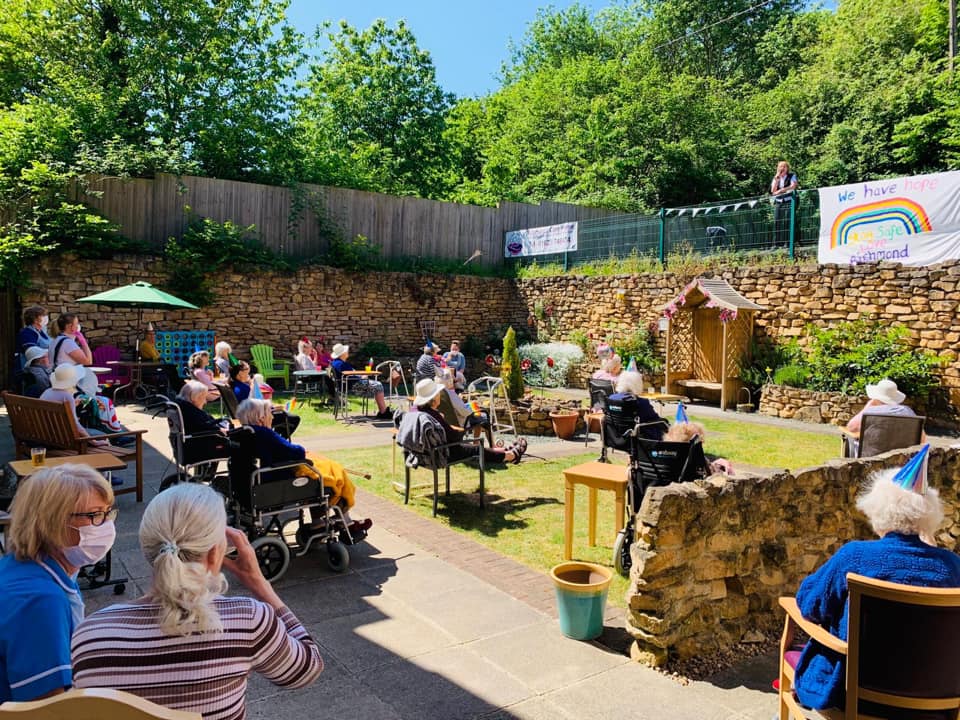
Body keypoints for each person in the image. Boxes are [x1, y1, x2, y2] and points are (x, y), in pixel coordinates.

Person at [71, 483, 323, 718]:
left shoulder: (90, 635)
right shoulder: (248, 621)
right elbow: (307, 670)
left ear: (147, 547)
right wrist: (260, 584)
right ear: (215, 553)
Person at [789, 445, 960, 711]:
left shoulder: (856, 557)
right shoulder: (952, 567)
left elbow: (810, 605)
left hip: (854, 697)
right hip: (934, 704)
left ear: (877, 511)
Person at [0, 464, 116, 701]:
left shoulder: (29, 567)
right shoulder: (41, 600)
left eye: (108, 513)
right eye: (94, 515)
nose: (106, 525)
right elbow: (47, 707)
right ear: (51, 523)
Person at [235, 399, 372, 536]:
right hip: (281, 481)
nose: (272, 417)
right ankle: (346, 522)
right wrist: (300, 449)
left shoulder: (249, 433)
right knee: (332, 477)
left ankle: (319, 522)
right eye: (269, 413)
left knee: (321, 472)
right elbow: (295, 452)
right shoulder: (265, 434)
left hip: (265, 480)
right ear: (261, 418)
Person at [397, 379, 527, 466]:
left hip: (421, 454)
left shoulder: (414, 411)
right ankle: (511, 456)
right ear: (433, 398)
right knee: (476, 448)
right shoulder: (432, 415)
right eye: (438, 393)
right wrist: (445, 422)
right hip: (441, 455)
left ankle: (503, 451)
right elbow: (455, 437)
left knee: (472, 447)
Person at [329, 343, 393, 420]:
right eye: (346, 351)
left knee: (376, 385)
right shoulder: (340, 364)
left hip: (348, 385)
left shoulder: (337, 363)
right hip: (352, 386)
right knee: (378, 385)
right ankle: (383, 412)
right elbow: (349, 375)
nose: (347, 352)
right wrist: (361, 377)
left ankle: (383, 411)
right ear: (342, 354)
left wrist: (360, 376)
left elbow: (350, 373)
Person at [605, 364, 665, 441]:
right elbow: (655, 419)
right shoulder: (641, 402)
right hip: (638, 439)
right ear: (638, 384)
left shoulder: (611, 398)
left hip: (615, 438)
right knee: (663, 423)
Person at [846, 378, 917, 435]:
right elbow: (920, 437)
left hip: (872, 449)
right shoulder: (908, 411)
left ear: (876, 396)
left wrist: (868, 406)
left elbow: (851, 428)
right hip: (902, 449)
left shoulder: (871, 411)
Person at [662, 421, 734, 476]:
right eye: (701, 442)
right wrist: (721, 467)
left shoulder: (665, 459)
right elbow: (711, 472)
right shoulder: (696, 460)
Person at [771, 160, 799, 246]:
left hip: (790, 200)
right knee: (777, 221)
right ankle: (776, 244)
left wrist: (781, 190)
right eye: (780, 166)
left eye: (784, 166)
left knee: (788, 221)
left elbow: (793, 186)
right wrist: (776, 179)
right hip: (779, 201)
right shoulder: (776, 177)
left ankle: (788, 242)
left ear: (787, 168)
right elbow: (773, 191)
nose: (782, 168)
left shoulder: (792, 175)